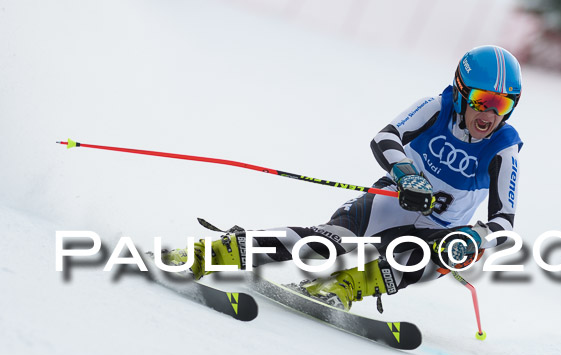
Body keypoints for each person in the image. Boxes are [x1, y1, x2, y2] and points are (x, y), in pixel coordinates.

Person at [165, 45, 524, 311]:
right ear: (461, 93)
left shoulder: (504, 147)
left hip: (437, 232)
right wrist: (407, 176)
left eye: (503, 105)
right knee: (328, 244)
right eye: (482, 100)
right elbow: (385, 138)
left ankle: (344, 287)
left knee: (435, 253)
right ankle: (206, 255)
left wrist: (476, 237)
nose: (490, 114)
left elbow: (504, 223)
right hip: (388, 204)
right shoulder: (437, 106)